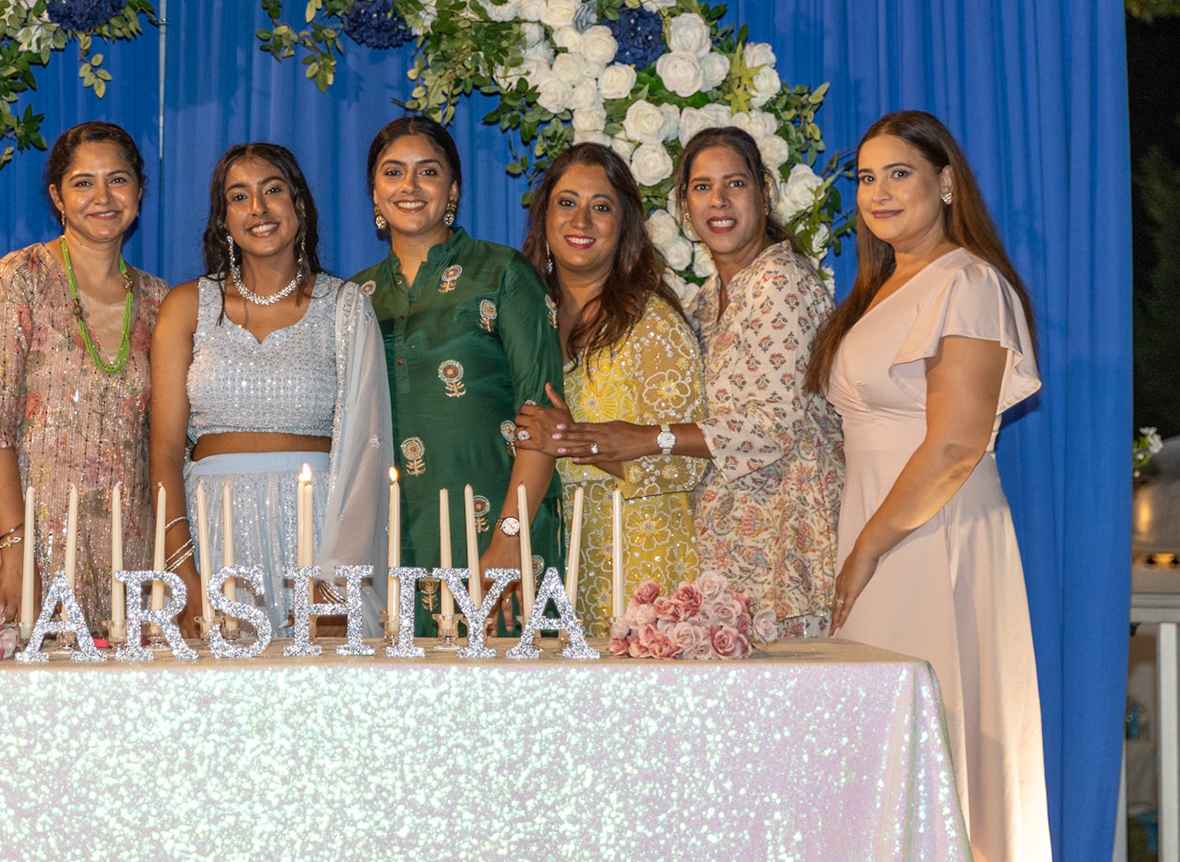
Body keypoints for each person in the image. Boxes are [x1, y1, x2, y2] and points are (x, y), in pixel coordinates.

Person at [808, 110, 1049, 862]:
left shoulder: (968, 282)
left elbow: (954, 444)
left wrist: (869, 546)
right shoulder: (884, 287)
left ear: (946, 184)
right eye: (865, 178)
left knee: (925, 742)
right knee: (880, 752)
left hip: (929, 530)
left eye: (899, 173)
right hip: (881, 526)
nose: (878, 192)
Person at [530, 126, 845, 636]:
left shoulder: (779, 283)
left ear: (764, 193)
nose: (718, 200)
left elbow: (774, 426)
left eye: (735, 184)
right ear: (684, 206)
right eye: (702, 187)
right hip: (731, 543)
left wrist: (649, 437)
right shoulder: (704, 302)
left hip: (785, 538)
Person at [150, 142, 392, 635]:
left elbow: (367, 452)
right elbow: (165, 452)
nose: (257, 208)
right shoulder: (187, 305)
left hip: (320, 534)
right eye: (239, 197)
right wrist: (181, 568)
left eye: (272, 190)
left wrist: (336, 580)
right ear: (224, 220)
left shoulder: (345, 305)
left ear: (298, 205)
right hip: (211, 530)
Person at [350, 116, 562, 636]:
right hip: (393, 541)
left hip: (498, 535)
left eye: (428, 171)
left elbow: (544, 418)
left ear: (453, 190)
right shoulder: (354, 298)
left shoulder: (503, 273)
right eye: (393, 172)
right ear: (374, 193)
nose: (410, 186)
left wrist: (509, 538)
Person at [0, 122, 168, 634]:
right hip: (35, 547)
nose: (103, 197)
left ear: (139, 191)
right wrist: (16, 551)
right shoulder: (18, 280)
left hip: (133, 555)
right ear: (57, 196)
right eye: (83, 183)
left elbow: (170, 446)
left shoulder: (161, 301)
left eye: (118, 180)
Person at [513, 143, 708, 640]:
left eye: (601, 207)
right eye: (567, 202)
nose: (581, 220)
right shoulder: (524, 318)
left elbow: (690, 463)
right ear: (544, 215)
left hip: (639, 557)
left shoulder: (652, 325)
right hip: (550, 550)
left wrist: (580, 442)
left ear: (624, 226)